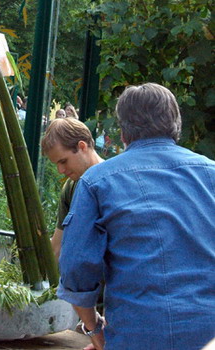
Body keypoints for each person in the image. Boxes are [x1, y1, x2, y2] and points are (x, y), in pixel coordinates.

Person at [58, 83, 215, 350]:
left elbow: (76, 268)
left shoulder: (97, 181)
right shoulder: (211, 174)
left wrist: (94, 330)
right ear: (176, 123)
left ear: (123, 131)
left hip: (138, 333)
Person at [41, 117, 104, 261]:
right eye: (56, 164)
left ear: (82, 146)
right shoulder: (70, 187)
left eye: (63, 161)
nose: (60, 170)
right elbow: (57, 248)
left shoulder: (115, 183)